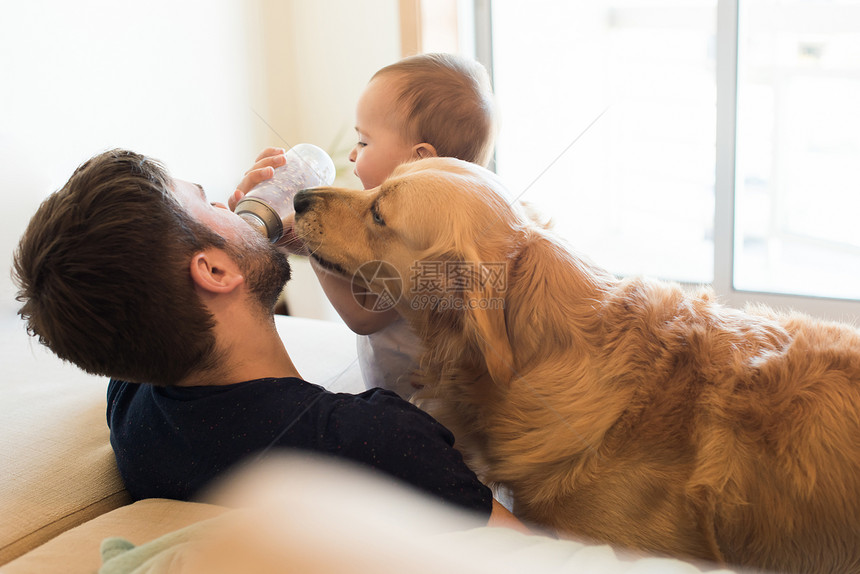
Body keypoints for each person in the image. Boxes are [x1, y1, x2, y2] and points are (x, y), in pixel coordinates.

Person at [12, 148, 524, 530]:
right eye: (206, 202)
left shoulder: (134, 411)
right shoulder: (373, 440)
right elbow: (534, 557)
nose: (226, 202)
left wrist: (236, 241)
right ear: (213, 271)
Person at [230, 53, 497, 399]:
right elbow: (347, 263)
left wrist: (314, 228)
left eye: (364, 141)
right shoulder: (391, 227)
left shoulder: (430, 249)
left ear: (420, 161)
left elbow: (365, 314)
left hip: (424, 413)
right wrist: (262, 223)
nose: (353, 155)